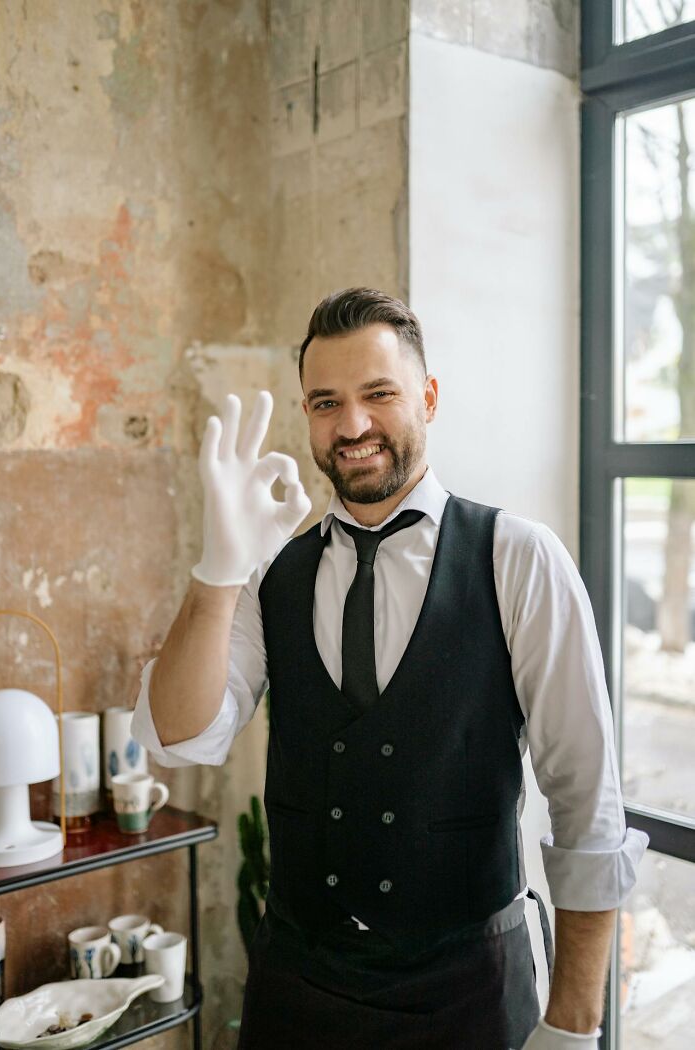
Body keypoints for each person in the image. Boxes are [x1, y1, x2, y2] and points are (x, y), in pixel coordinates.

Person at [131, 288, 649, 1049]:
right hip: (297, 985)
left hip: (472, 987)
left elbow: (586, 804)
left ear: (429, 397)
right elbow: (179, 736)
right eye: (325, 402)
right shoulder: (273, 570)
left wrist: (572, 1025)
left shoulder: (518, 557)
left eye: (379, 395)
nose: (353, 425)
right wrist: (219, 568)